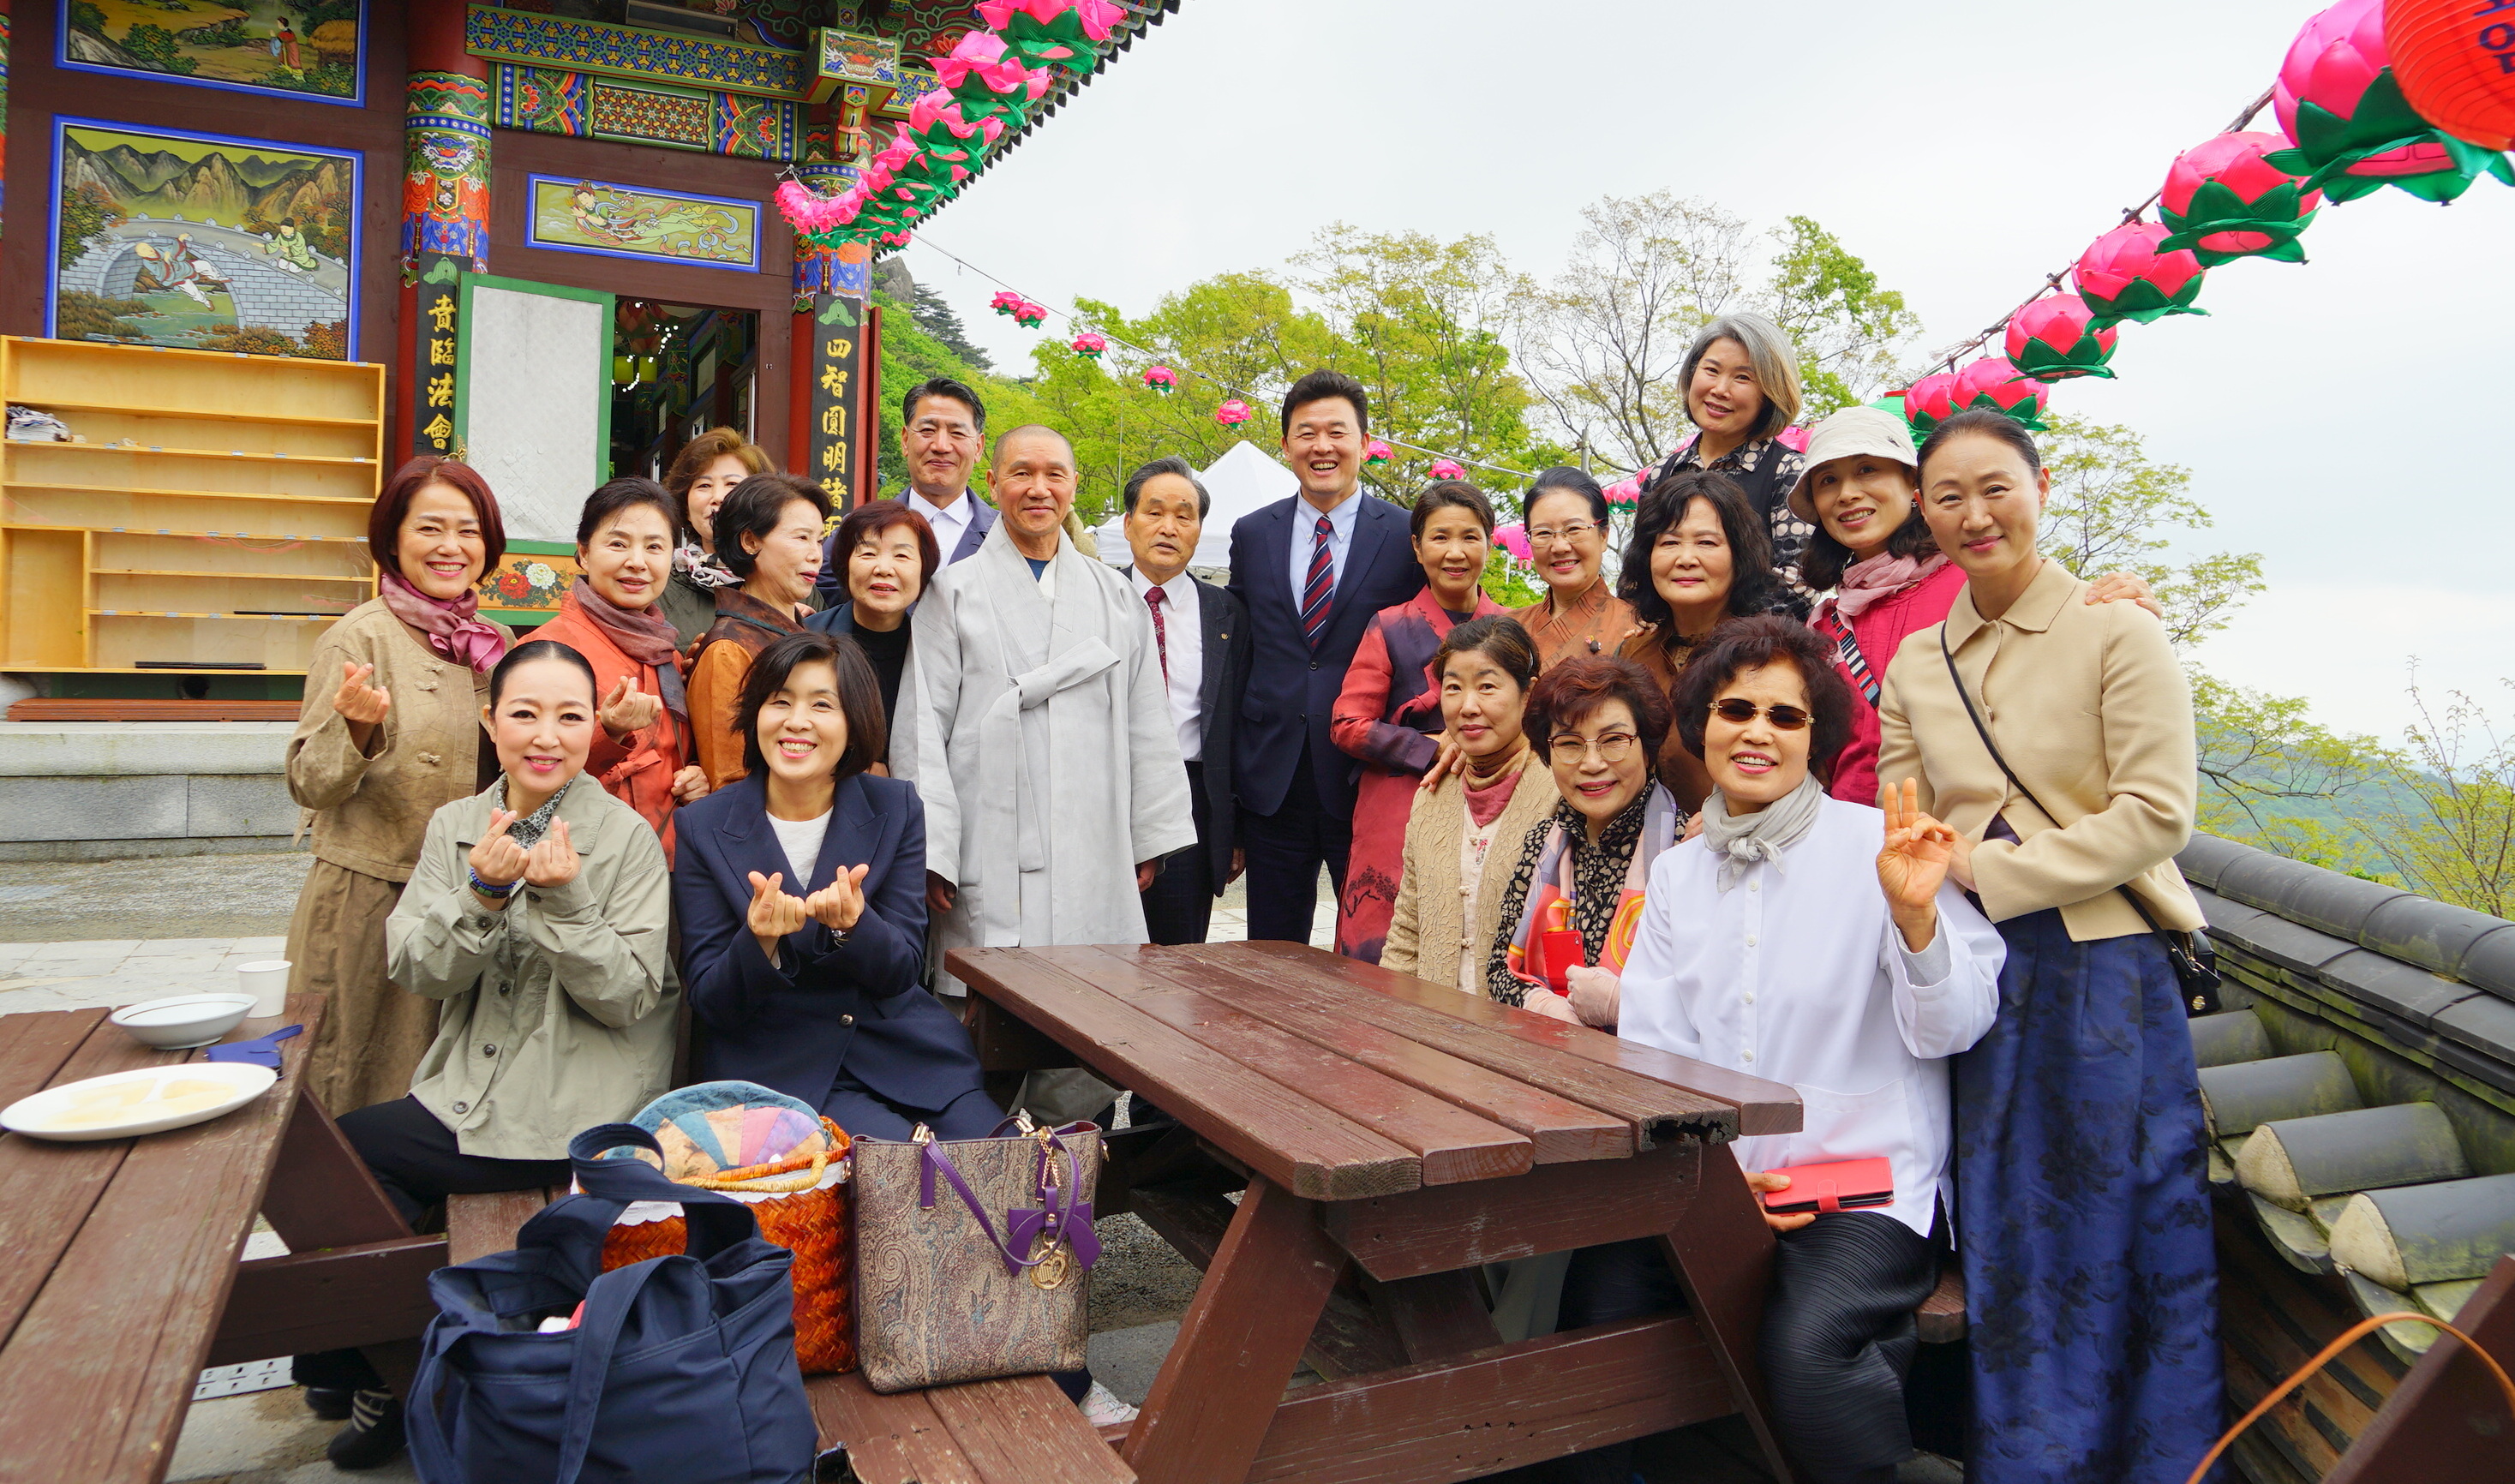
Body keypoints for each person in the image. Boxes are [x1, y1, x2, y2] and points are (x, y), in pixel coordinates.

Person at [1556, 615, 2003, 1484]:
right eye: (1735, 709)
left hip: (1860, 1186)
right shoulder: (1679, 875)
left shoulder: (1879, 848)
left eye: (1784, 715)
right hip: (1716, 1181)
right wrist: (1717, 1180)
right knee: (1594, 1312)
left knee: (1808, 1354)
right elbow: (1657, 1047)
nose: (1756, 731)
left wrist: (1916, 919)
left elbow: (1952, 1027)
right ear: (1702, 725)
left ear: (1814, 736)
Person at [1877, 409, 2220, 1482]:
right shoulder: (1918, 661)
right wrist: (1939, 880)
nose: (1974, 514)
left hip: (2103, 972)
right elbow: (1901, 810)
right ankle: (2025, 1459)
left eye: (1996, 487)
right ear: (1923, 513)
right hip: (1976, 974)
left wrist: (1992, 872)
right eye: (1947, 497)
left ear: (2040, 489)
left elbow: (2158, 813)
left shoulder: (2119, 630)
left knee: (2124, 1228)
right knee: (2003, 1230)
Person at [299, 640, 678, 1469]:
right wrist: (480, 893)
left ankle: (365, 1367)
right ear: (489, 720)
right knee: (329, 1161)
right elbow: (417, 968)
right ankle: (378, 1363)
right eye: (524, 714)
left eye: (569, 717)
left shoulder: (624, 837)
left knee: (357, 1157)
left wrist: (566, 902)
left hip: (578, 1105)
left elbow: (626, 997)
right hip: (472, 1089)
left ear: (593, 729)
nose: (546, 736)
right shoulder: (457, 826)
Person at [892, 425, 1190, 1014]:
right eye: (1021, 473)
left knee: (1094, 1002)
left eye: (1054, 474)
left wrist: (1149, 835)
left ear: (1073, 485)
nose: (1038, 488)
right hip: (988, 829)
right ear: (992, 481)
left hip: (1094, 830)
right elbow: (922, 729)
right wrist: (935, 850)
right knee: (985, 1008)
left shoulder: (1116, 597)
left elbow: (1148, 723)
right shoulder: (951, 592)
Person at [674, 630, 988, 1134]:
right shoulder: (703, 826)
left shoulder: (895, 807)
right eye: (780, 701)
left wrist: (855, 928)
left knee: (1006, 1160)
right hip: (780, 1068)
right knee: (902, 1167)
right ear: (756, 714)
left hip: (903, 1054)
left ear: (855, 722)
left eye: (822, 705)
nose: (797, 721)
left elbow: (904, 969)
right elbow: (712, 1001)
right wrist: (759, 941)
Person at [284, 457, 512, 1118]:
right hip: (369, 905)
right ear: (393, 538)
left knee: (445, 1089)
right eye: (429, 528)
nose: (450, 547)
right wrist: (355, 728)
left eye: (467, 531)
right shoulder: (360, 638)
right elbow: (308, 783)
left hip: (468, 900)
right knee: (351, 1080)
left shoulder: (494, 643)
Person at [1792, 404, 2158, 809]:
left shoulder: (1981, 582)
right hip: (1855, 830)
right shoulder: (1826, 624)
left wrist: (2119, 611)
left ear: (1913, 486)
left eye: (1867, 470)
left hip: (1977, 829)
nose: (1847, 494)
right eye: (1828, 480)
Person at [1227, 370, 1426, 943]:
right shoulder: (1252, 533)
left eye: (1337, 432)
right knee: (1272, 954)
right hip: (1272, 780)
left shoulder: (1405, 535)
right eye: (1306, 433)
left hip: (1366, 777)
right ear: (1285, 444)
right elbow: (1242, 648)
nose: (1322, 446)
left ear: (1364, 442)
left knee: (1372, 949)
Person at [1330, 480, 1508, 962]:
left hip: (1489, 800)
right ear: (1417, 546)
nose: (1455, 552)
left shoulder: (1511, 626)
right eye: (1440, 537)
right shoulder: (1390, 624)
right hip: (1400, 803)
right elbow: (1346, 722)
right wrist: (1431, 746)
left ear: (1490, 542)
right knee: (1383, 950)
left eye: (1470, 537)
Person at [1485, 656, 1681, 1020]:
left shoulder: (1685, 851)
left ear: (1647, 749)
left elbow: (1710, 1002)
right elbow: (1500, 969)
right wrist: (1543, 1006)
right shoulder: (1542, 843)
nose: (1592, 763)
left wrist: (1623, 1008)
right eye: (1570, 743)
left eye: (1614, 740)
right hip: (1547, 1050)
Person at [529, 477, 710, 859]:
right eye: (618, 544)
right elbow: (527, 770)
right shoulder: (546, 651)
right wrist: (609, 731)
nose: (637, 562)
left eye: (654, 547)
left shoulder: (667, 653)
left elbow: (676, 753)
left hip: (666, 858)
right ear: (583, 553)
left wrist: (695, 773)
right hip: (579, 858)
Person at [1380, 617, 1560, 993]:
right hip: (1431, 1018)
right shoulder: (1432, 795)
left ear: (1528, 693)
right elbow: (1407, 929)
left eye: (1487, 687)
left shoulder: (1560, 793)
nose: (1468, 706)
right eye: (1454, 688)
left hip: (1525, 1020)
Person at [1116, 456, 1248, 947]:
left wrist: (1234, 831)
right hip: (1106, 794)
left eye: (1184, 516)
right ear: (1128, 523)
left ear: (1198, 530)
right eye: (1154, 512)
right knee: (1095, 956)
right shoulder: (1093, 597)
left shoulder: (1228, 612)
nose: (1168, 528)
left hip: (1191, 802)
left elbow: (1237, 727)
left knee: (1179, 957)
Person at [1614, 469, 1787, 813]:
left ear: (1739, 555)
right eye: (1669, 542)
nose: (1686, 559)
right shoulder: (1632, 653)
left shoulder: (1772, 657)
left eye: (1706, 543)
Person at [1639, 313, 1811, 591]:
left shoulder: (1790, 472)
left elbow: (1799, 582)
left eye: (1743, 377)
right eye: (1711, 370)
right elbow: (1639, 574)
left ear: (1771, 393)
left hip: (1758, 621)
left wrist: (1718, 620)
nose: (1720, 389)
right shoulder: (1662, 474)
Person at [687, 473, 830, 790]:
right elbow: (729, 780)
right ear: (751, 542)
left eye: (819, 540)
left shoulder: (799, 631)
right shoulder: (728, 650)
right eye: (801, 538)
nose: (816, 554)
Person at [818, 377, 997, 605]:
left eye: (957, 433)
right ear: (905, 440)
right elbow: (817, 597)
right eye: (928, 430)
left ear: (978, 447)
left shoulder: (1005, 535)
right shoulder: (856, 530)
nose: (941, 446)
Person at [804, 499, 939, 751]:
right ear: (845, 565)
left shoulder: (937, 654)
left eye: (902, 556)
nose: (884, 569)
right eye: (868, 553)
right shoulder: (805, 637)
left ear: (924, 572)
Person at [1511, 467, 1637, 670]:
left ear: (1603, 536)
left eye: (1574, 529)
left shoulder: (1638, 630)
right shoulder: (1507, 630)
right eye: (1543, 533)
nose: (1560, 547)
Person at [660, 427, 775, 649]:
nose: (718, 497)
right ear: (685, 506)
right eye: (704, 486)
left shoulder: (788, 580)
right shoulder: (660, 586)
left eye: (732, 484)